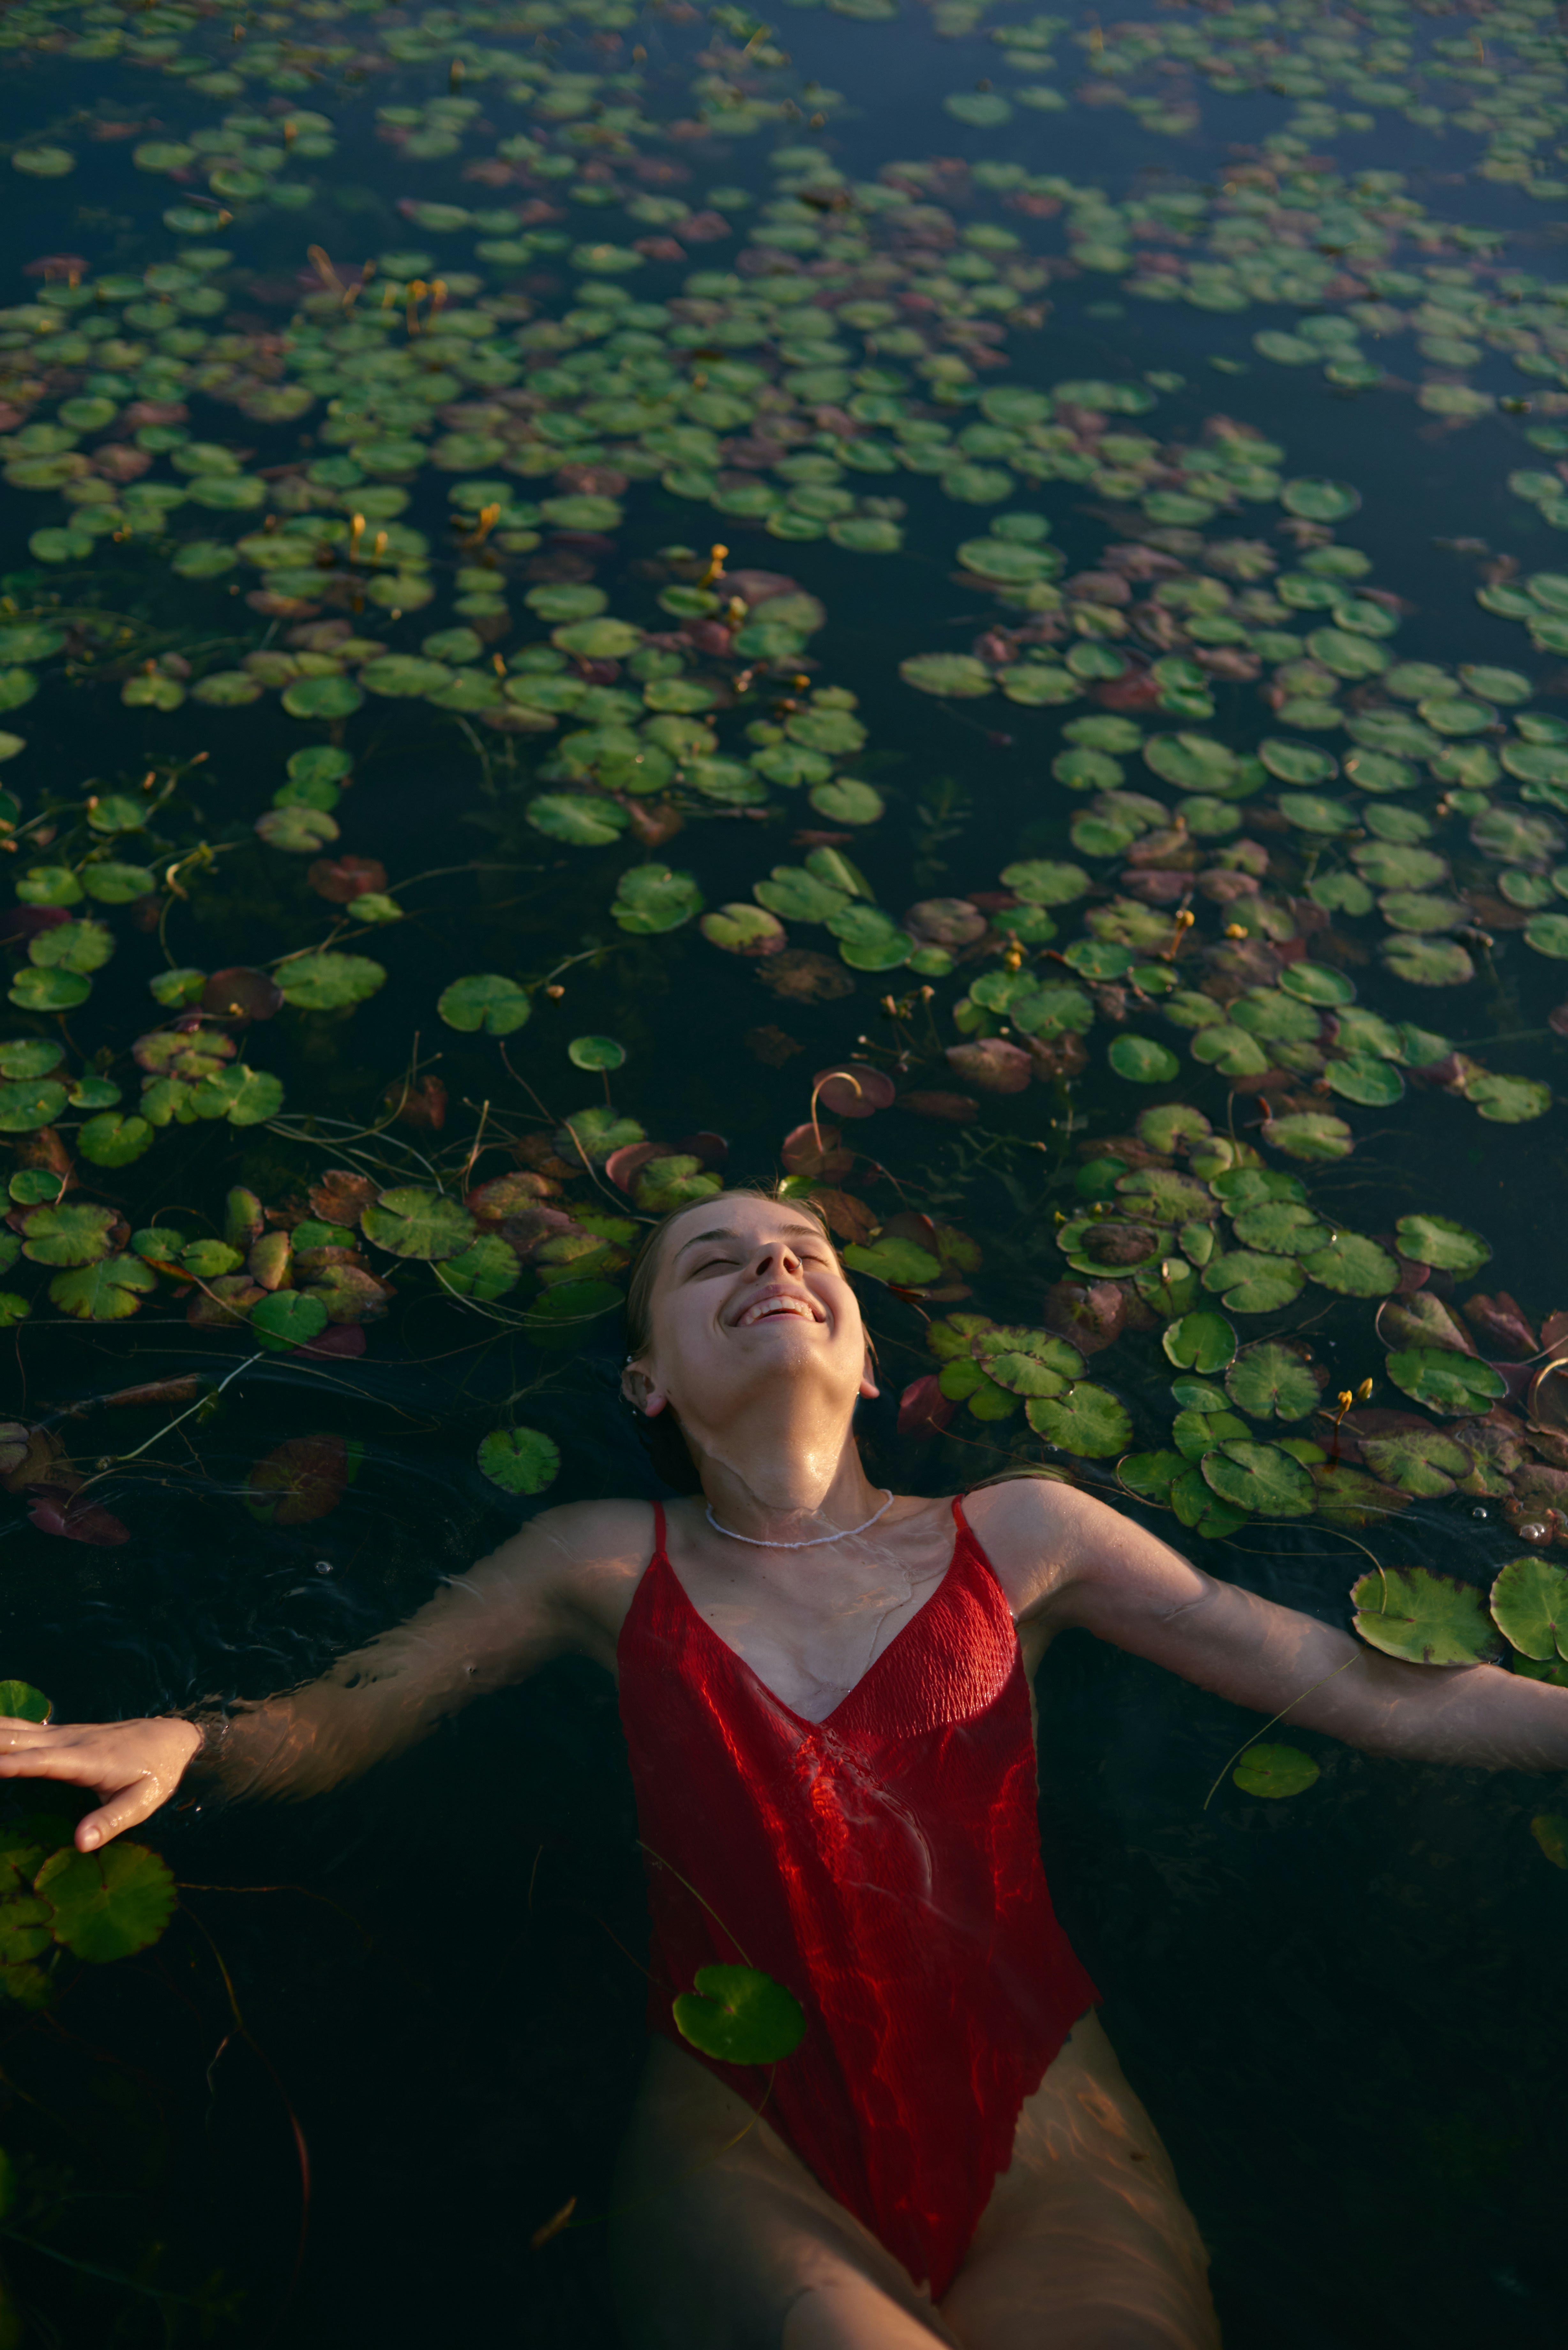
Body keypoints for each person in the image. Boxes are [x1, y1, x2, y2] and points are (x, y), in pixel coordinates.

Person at [4, 1189, 1564, 2350]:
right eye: (715, 1259)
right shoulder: (595, 1561)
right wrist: (197, 1740)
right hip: (747, 2135)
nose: (775, 1263)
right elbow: (356, 1704)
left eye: (809, 1252)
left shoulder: (1025, 1536)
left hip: (1050, 2125)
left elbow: (1362, 1686)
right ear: (647, 1386)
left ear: (868, 1355)